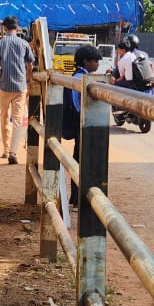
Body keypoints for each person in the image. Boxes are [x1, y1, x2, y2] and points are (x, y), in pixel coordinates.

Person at [0, 16, 36, 164]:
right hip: (20, 86)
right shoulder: (24, 44)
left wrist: (0, 70)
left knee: (4, 117)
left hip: (4, 86)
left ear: (4, 29)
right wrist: (27, 78)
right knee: (17, 120)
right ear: (17, 29)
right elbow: (30, 65)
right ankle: (13, 152)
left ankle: (5, 150)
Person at [62, 45, 102, 205]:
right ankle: (80, 198)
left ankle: (76, 196)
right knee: (83, 160)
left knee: (78, 159)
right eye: (95, 61)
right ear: (86, 61)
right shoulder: (82, 79)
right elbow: (78, 105)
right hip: (82, 125)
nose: (97, 64)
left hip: (77, 124)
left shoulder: (76, 77)